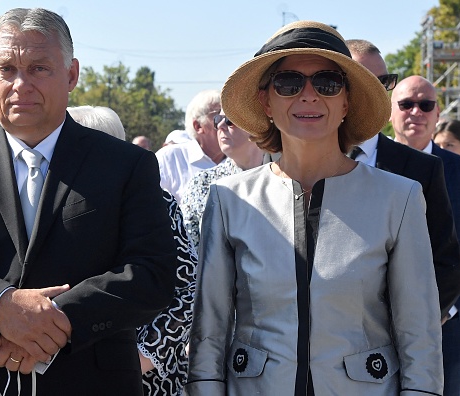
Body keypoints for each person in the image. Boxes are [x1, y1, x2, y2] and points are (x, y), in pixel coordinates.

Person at [0, 8, 177, 396]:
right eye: (6, 69)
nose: (20, 84)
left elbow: (153, 272)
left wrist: (52, 320)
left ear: (72, 74)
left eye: (39, 68)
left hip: (91, 381)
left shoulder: (126, 165)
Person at [185, 21, 443, 396]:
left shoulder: (398, 198)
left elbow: (420, 335)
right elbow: (208, 332)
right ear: (265, 101)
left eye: (327, 83)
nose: (308, 95)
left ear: (346, 101)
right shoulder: (230, 199)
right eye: (288, 83)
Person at [69, 105, 197, 396]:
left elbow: (188, 289)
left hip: (146, 382)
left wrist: (143, 356)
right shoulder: (55, 202)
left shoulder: (154, 200)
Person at [346, 39, 460, 317]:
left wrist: (425, 322)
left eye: (384, 81)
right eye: (407, 104)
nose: (416, 112)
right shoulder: (301, 164)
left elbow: (446, 259)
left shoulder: (428, 169)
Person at [389, 74, 460, 396]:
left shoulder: (456, 169)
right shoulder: (362, 166)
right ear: (390, 110)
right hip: (375, 326)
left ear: (437, 113)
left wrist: (445, 310)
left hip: (450, 327)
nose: (416, 112)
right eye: (406, 104)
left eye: (425, 105)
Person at [181, 110, 265, 247]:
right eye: (217, 119)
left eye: (229, 120)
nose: (220, 125)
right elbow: (188, 247)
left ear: (257, 126)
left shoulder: (283, 180)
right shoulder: (203, 182)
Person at [155, 90, 225, 202]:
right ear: (198, 126)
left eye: (229, 117)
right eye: (218, 117)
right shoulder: (169, 159)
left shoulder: (242, 159)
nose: (225, 123)